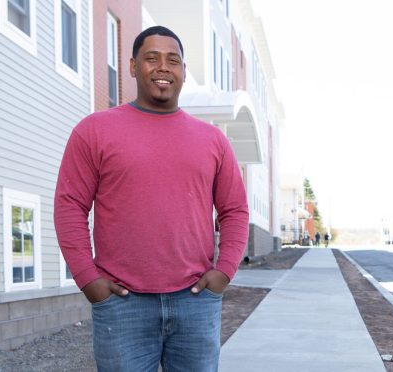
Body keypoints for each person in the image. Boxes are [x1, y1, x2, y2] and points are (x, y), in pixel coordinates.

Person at [54, 26, 249, 372]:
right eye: (151, 58)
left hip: (195, 301)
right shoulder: (94, 131)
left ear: (184, 72)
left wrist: (224, 272)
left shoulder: (212, 140)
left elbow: (234, 210)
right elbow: (70, 206)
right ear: (132, 66)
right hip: (122, 304)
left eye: (173, 60)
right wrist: (88, 279)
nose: (163, 67)